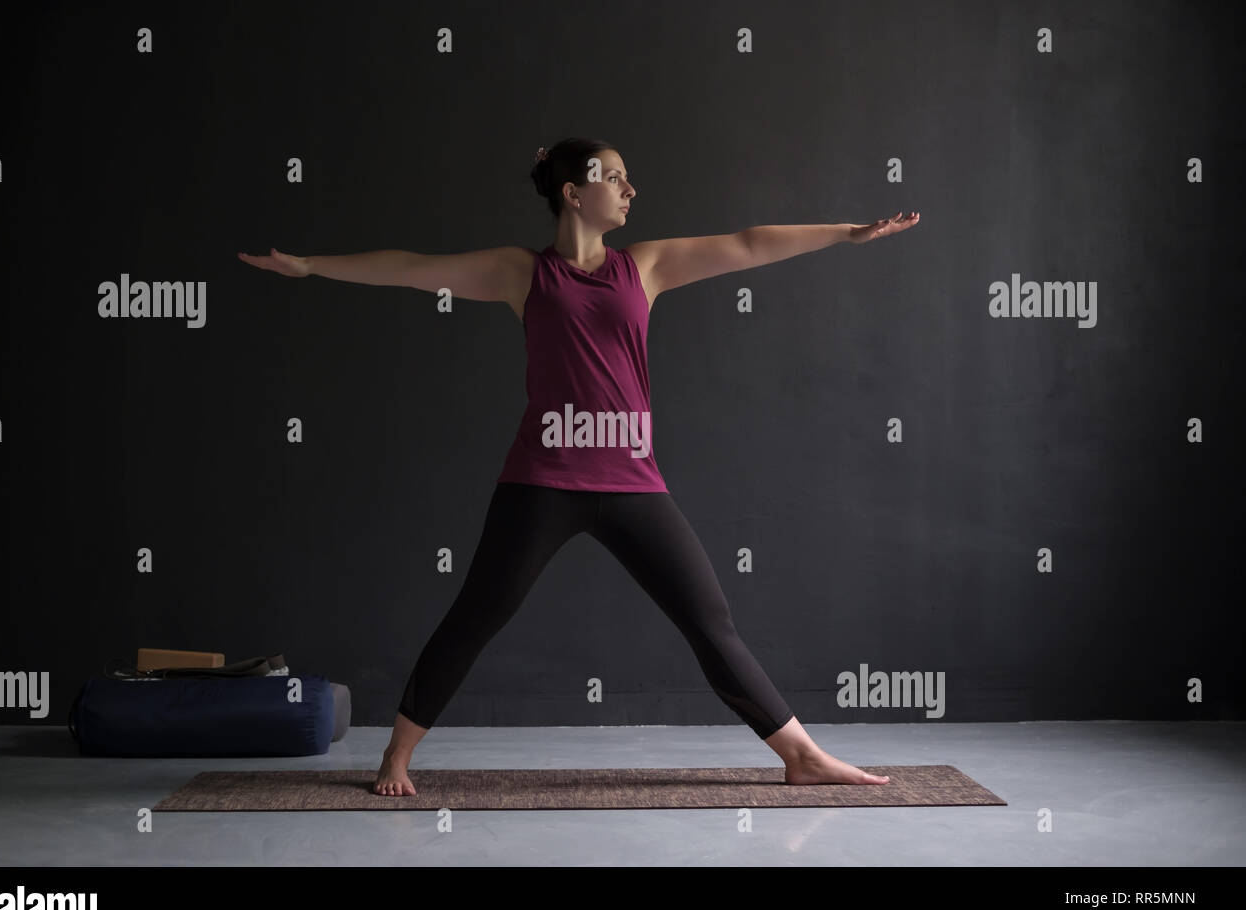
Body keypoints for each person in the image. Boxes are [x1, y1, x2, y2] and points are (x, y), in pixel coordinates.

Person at [238, 137, 920, 796]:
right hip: (541, 484)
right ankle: (397, 754)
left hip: (633, 484)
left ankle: (800, 756)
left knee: (710, 622)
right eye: (615, 177)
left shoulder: (644, 265)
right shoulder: (521, 272)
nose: (630, 188)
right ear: (573, 192)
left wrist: (846, 233)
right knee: (475, 615)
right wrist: (311, 264)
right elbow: (416, 267)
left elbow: (746, 245)